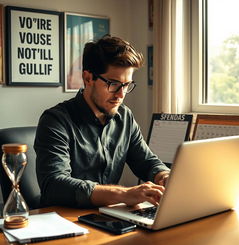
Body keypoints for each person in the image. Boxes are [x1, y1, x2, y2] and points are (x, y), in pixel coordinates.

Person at [34, 35, 170, 208]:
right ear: (88, 78)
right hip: (64, 220)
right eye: (113, 84)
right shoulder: (55, 121)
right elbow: (54, 185)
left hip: (107, 217)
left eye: (127, 85)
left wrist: (163, 175)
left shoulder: (125, 117)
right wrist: (124, 194)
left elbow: (146, 161)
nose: (121, 95)